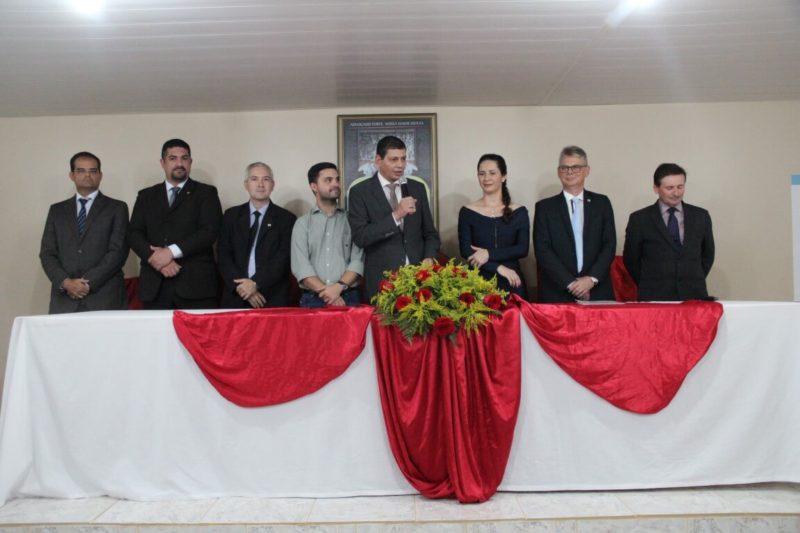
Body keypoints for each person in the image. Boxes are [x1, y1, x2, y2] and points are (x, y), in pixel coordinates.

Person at [128, 138, 222, 309]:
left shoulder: (206, 193)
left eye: (184, 158)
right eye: (173, 158)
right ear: (162, 163)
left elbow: (209, 232)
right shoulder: (146, 196)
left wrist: (170, 252)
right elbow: (134, 233)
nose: (179, 163)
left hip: (196, 287)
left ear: (190, 162)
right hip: (155, 285)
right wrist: (156, 259)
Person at [348, 135, 441, 301]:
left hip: (419, 282)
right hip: (382, 283)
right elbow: (361, 237)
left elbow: (430, 234)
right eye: (394, 159)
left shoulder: (417, 188)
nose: (400, 165)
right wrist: (396, 215)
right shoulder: (360, 192)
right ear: (378, 160)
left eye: (403, 159)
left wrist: (429, 257)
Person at [39, 151, 129, 313]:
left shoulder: (117, 208)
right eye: (81, 171)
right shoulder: (57, 210)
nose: (87, 175)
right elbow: (47, 252)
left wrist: (86, 284)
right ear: (72, 175)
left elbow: (118, 252)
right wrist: (66, 283)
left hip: (104, 297)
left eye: (92, 171)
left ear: (100, 175)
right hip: (65, 299)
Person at [533, 145, 616, 302]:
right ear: (558, 172)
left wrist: (591, 279)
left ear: (587, 171)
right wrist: (571, 284)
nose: (569, 172)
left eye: (576, 167)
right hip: (557, 292)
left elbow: (609, 245)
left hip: (597, 290)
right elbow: (542, 250)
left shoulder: (602, 203)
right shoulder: (544, 208)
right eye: (564, 168)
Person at [623, 163, 715, 301]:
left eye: (680, 187)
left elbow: (708, 255)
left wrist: (693, 276)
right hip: (654, 295)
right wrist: (647, 282)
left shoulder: (701, 216)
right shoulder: (640, 219)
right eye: (670, 188)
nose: (676, 193)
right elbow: (631, 259)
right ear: (656, 188)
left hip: (693, 294)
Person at [218, 162, 296, 308]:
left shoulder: (287, 219)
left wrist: (255, 283)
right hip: (235, 295)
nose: (260, 184)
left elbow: (283, 258)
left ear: (273, 185)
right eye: (254, 179)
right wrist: (242, 288)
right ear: (246, 184)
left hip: (270, 296)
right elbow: (224, 255)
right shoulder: (231, 216)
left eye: (266, 179)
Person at [291, 162, 363, 307]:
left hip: (348, 297)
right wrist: (329, 293)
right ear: (314, 186)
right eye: (328, 180)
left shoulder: (352, 220)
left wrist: (338, 287)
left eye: (337, 179)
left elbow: (358, 260)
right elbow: (301, 266)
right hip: (313, 299)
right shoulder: (302, 223)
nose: (335, 184)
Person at [458, 153, 529, 299]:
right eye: (482, 174)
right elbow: (466, 251)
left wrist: (488, 254)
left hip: (512, 279)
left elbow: (522, 249)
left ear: (503, 177)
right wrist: (498, 268)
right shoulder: (467, 211)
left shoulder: (519, 211)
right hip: (478, 282)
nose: (486, 178)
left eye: (492, 173)